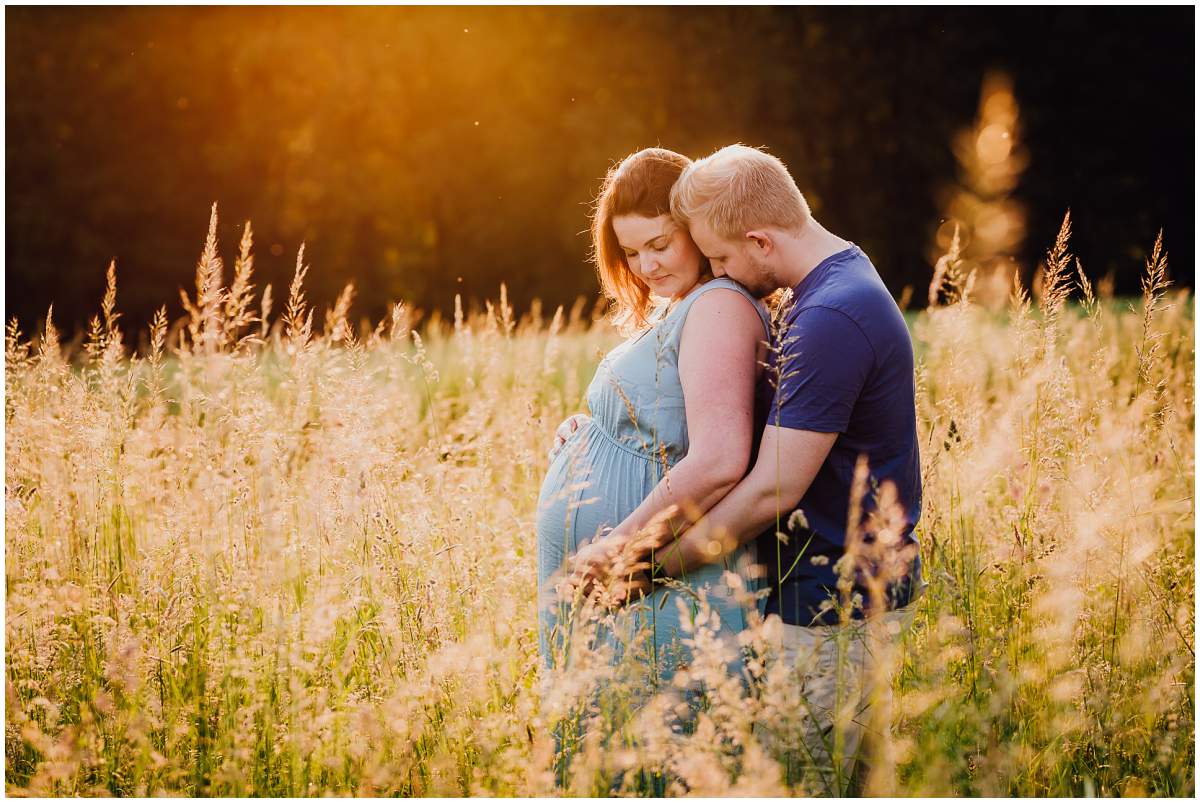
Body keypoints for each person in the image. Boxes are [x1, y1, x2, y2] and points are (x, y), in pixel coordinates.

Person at [572, 144, 924, 792]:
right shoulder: (832, 287)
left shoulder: (830, 316)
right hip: (829, 600)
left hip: (833, 608)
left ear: (759, 239)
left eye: (723, 258)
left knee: (796, 786)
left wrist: (647, 563)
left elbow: (771, 486)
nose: (720, 273)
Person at [536, 147, 772, 689]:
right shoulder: (681, 305)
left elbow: (719, 458)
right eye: (632, 252)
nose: (647, 266)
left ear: (698, 227)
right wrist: (594, 430)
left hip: (663, 581)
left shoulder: (717, 306)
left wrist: (618, 548)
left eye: (660, 244)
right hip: (627, 584)